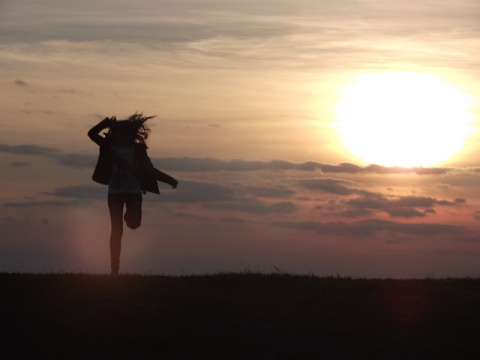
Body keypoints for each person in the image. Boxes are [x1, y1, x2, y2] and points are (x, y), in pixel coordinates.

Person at [88, 112, 178, 277]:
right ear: (116, 133)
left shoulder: (137, 150)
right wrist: (106, 122)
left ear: (131, 135)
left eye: (126, 134)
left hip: (134, 193)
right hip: (115, 193)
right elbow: (91, 134)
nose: (123, 137)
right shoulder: (108, 145)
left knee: (134, 224)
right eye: (120, 133)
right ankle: (114, 269)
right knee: (116, 230)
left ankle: (128, 215)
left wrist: (169, 179)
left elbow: (149, 170)